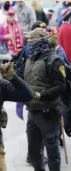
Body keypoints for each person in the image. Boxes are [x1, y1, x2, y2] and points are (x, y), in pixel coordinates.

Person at [23, 28, 66, 171]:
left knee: (52, 152)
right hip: (32, 112)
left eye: (32, 42)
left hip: (48, 112)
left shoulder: (54, 60)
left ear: (40, 42)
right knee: (34, 152)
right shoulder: (30, 59)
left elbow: (61, 87)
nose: (29, 45)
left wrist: (41, 95)